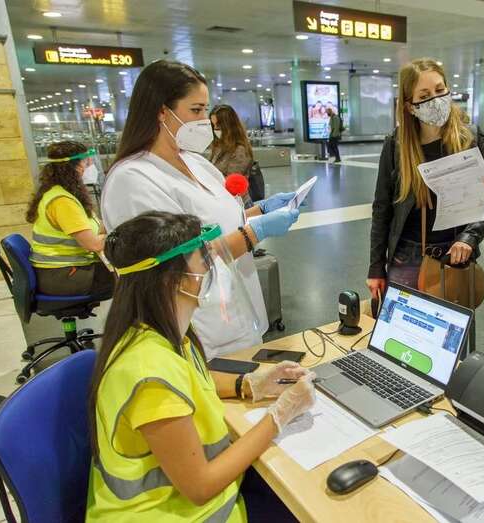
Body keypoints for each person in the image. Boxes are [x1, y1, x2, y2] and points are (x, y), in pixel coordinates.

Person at [87, 211, 316, 522]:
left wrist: (250, 384)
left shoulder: (158, 333)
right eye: (203, 262)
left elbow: (192, 380)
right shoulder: (148, 373)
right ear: (174, 281)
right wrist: (280, 416)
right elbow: (201, 485)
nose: (211, 269)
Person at [101, 60, 298, 359]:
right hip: (198, 331)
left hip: (240, 315)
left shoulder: (197, 163)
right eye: (196, 110)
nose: (205, 120)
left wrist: (260, 212)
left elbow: (219, 222)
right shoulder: (133, 180)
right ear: (161, 111)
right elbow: (177, 262)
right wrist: (254, 233)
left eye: (205, 109)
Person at [367, 58, 484, 300]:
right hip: (406, 258)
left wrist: (469, 238)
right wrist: (376, 267)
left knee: (450, 336)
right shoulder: (396, 145)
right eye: (424, 95)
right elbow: (381, 209)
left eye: (440, 90)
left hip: (455, 259)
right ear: (410, 106)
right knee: (403, 335)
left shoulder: (472, 139)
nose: (436, 100)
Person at [26, 141, 113, 297]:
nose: (90, 166)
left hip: (60, 272)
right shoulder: (62, 201)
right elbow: (93, 244)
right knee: (133, 278)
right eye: (87, 161)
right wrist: (123, 237)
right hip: (62, 276)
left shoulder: (62, 193)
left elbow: (96, 227)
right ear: (74, 167)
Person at [209, 104, 253, 176]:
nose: (215, 129)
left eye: (218, 125)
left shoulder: (240, 150)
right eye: (213, 125)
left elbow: (231, 180)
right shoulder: (219, 146)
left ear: (229, 126)